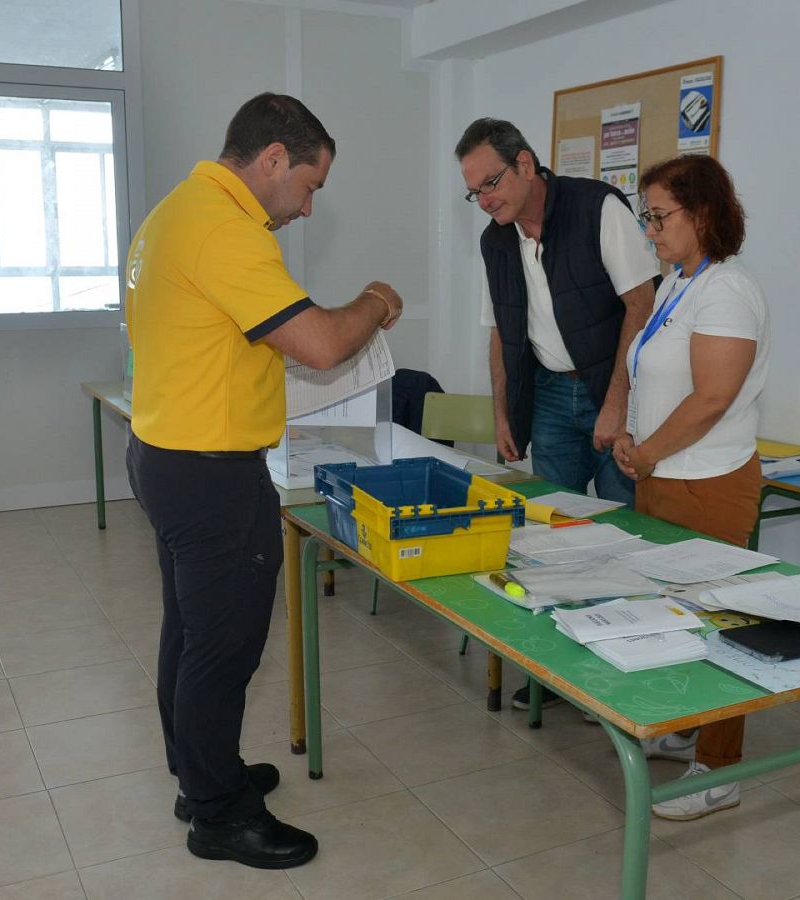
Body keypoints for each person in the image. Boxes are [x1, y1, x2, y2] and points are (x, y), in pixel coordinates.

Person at [124, 92, 402, 870]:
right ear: (273, 159)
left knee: (188, 632)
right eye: (310, 185)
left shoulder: (173, 213)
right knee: (222, 648)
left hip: (166, 453)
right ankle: (217, 815)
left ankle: (199, 775)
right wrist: (376, 302)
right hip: (210, 473)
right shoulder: (225, 230)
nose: (309, 208)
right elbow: (318, 344)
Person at [458, 117, 659, 712]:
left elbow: (641, 305)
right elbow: (500, 333)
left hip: (613, 391)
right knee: (552, 540)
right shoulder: (496, 240)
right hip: (547, 395)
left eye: (490, 182)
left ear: (526, 164)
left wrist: (617, 402)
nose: (484, 199)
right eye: (473, 192)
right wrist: (502, 415)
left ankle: (626, 672)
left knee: (622, 535)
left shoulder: (598, 207)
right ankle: (562, 676)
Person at [611, 154, 769, 821]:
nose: (651, 230)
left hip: (707, 483)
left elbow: (711, 399)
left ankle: (721, 768)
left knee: (719, 624)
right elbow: (654, 375)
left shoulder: (727, 291)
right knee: (671, 615)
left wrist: (646, 452)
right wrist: (629, 436)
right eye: (646, 217)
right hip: (663, 477)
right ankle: (685, 726)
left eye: (660, 216)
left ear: (703, 213)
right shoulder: (679, 281)